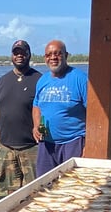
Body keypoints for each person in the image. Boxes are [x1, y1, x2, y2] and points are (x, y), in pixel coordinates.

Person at [0, 40, 42, 193]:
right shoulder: (2, 81)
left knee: (35, 192)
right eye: (16, 52)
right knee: (10, 193)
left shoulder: (39, 79)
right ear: (12, 56)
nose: (19, 55)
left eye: (23, 52)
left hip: (31, 147)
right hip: (7, 148)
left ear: (29, 55)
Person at [32, 40, 87, 176]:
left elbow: (93, 113)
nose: (53, 58)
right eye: (49, 54)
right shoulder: (43, 80)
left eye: (57, 54)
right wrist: (36, 125)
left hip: (73, 142)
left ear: (66, 55)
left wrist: (88, 145)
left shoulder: (80, 79)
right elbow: (36, 105)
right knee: (44, 185)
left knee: (71, 186)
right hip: (46, 144)